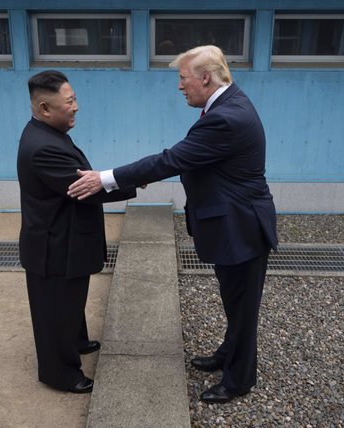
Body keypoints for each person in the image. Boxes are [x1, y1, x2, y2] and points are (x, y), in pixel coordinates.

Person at [67, 45, 278, 404]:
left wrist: (106, 178)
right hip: (234, 224)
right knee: (234, 300)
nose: (180, 86)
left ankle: (239, 379)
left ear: (206, 78)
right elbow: (189, 158)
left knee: (242, 307)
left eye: (183, 78)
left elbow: (174, 159)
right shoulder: (227, 105)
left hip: (240, 228)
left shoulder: (226, 117)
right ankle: (229, 353)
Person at [17, 70, 136, 394]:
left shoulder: (48, 133)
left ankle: (77, 342)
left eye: (75, 99)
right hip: (53, 247)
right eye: (69, 102)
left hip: (63, 238)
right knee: (56, 310)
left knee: (70, 302)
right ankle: (61, 374)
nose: (76, 107)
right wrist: (134, 177)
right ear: (44, 108)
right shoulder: (43, 146)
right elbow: (87, 188)